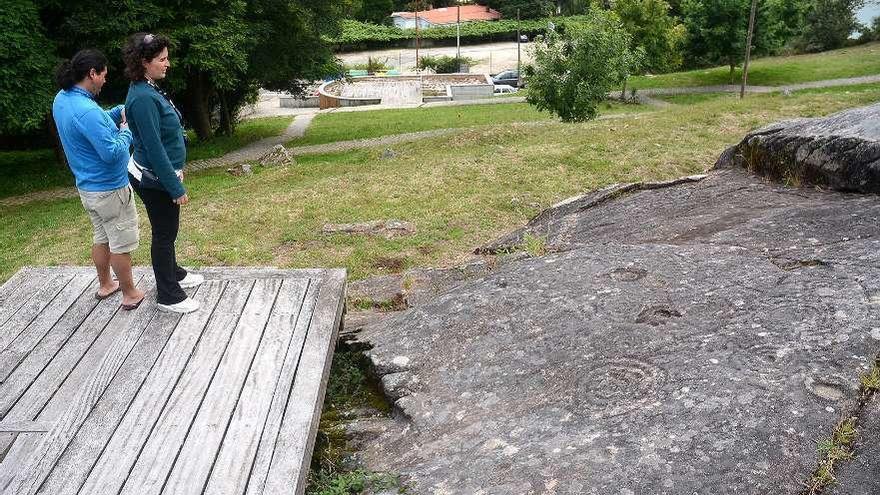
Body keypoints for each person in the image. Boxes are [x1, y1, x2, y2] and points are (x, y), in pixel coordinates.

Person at [52, 49, 145, 310]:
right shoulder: (86, 110)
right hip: (110, 190)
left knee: (101, 237)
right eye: (103, 75)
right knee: (120, 243)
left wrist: (118, 112)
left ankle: (106, 285)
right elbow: (113, 154)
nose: (105, 80)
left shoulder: (63, 98)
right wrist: (126, 131)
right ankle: (130, 294)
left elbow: (92, 124)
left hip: (87, 189)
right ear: (92, 74)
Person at [122, 33, 202, 314]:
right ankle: (169, 296)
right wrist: (175, 188)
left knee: (168, 230)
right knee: (165, 233)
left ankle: (175, 273)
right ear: (145, 62)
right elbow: (154, 150)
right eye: (162, 59)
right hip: (153, 177)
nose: (168, 64)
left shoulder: (148, 87)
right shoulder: (143, 98)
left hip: (160, 173)